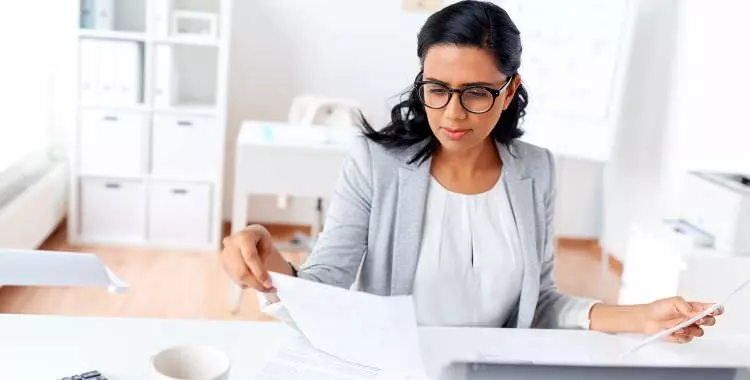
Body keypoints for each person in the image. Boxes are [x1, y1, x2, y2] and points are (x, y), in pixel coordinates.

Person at [222, 0, 721, 342]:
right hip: (396, 367)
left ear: (508, 91)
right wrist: (269, 269)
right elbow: (324, 285)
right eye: (436, 89)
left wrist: (641, 317)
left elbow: (540, 303)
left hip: (493, 368)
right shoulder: (377, 165)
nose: (452, 114)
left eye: (477, 93)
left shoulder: (536, 170)